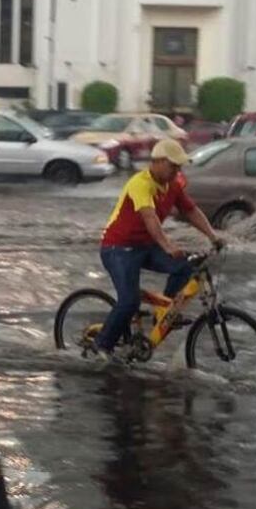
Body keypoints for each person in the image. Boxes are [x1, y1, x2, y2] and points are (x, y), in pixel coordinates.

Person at [92, 139, 222, 355]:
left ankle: (164, 311)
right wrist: (167, 245)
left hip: (145, 246)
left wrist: (212, 236)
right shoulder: (140, 183)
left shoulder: (173, 185)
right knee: (129, 301)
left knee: (185, 267)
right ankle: (101, 346)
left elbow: (191, 211)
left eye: (179, 166)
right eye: (174, 166)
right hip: (118, 248)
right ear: (158, 162)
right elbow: (149, 217)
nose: (177, 171)